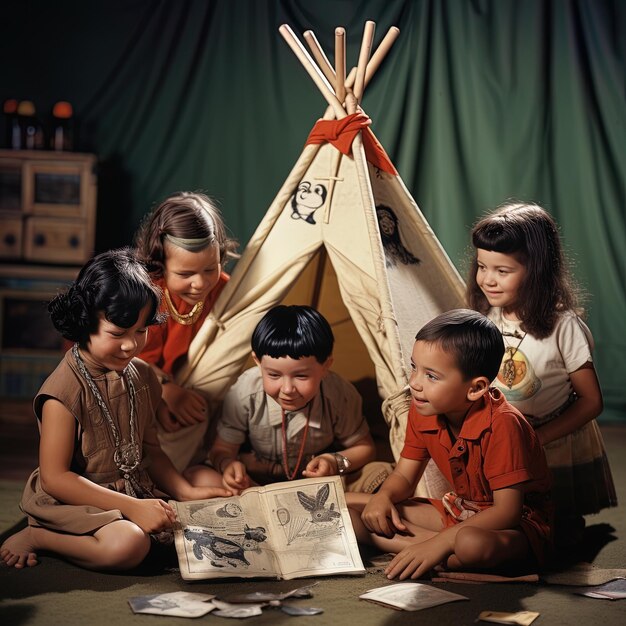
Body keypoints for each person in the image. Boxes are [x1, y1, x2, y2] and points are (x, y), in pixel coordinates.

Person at [0, 249, 231, 571]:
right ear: (85, 323)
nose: (131, 345)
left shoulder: (145, 377)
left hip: (135, 489)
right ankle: (39, 536)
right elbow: (55, 479)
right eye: (117, 333)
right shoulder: (62, 391)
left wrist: (187, 492)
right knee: (128, 544)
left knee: (211, 515)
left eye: (140, 331)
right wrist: (131, 508)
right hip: (77, 500)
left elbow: (151, 450)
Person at [346, 309, 553, 581]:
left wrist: (439, 542)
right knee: (349, 510)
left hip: (516, 525)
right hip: (459, 510)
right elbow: (405, 476)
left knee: (470, 544)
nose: (414, 384)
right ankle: (434, 553)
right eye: (413, 368)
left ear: (476, 388)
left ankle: (428, 550)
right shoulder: (423, 410)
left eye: (431, 376)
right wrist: (383, 497)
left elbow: (507, 512)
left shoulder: (504, 424)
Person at [467, 201, 617, 542]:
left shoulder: (564, 325)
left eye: (502, 271)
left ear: (536, 270)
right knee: (509, 516)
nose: (488, 280)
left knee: (556, 528)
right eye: (482, 266)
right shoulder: (483, 315)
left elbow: (591, 401)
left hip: (551, 440)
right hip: (504, 440)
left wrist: (539, 438)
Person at [184, 305, 390, 494]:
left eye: (301, 376)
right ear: (258, 362)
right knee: (196, 475)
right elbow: (222, 449)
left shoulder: (340, 395)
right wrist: (228, 465)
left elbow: (365, 448)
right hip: (256, 484)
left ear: (326, 366)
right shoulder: (244, 392)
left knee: (381, 473)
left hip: (319, 485)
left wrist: (333, 461)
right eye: (273, 375)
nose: (288, 389)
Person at [134, 191, 238, 471]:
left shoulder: (224, 292)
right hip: (137, 383)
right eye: (185, 274)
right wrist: (166, 394)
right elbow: (125, 357)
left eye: (210, 268)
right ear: (160, 264)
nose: (200, 283)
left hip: (191, 387)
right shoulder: (146, 293)